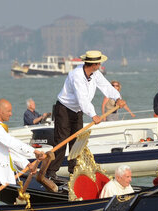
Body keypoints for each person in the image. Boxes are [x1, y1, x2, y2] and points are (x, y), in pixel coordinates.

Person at [46, 50, 125, 180]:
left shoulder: (95, 74)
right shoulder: (76, 75)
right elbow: (81, 98)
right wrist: (93, 115)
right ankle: (51, 172)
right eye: (99, 63)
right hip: (64, 109)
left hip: (77, 111)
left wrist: (117, 97)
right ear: (93, 64)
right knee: (62, 141)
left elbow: (106, 86)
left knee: (77, 142)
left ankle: (74, 172)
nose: (100, 65)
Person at [0, 99, 45, 203]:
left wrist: (26, 164)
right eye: (9, 111)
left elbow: (8, 150)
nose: (11, 114)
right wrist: (34, 151)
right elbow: (11, 142)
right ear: (0, 111)